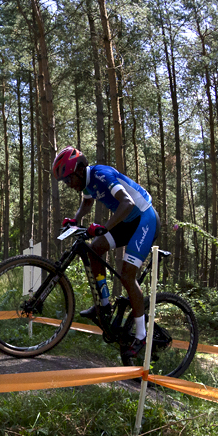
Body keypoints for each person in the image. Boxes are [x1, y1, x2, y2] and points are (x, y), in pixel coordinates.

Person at [53, 146, 159, 359]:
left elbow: (127, 203)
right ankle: (104, 305)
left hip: (145, 218)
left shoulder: (101, 174)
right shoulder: (87, 182)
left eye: (68, 180)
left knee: (127, 275)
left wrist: (105, 227)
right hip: (129, 221)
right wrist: (75, 220)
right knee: (95, 250)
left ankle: (141, 335)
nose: (68, 185)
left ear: (80, 170)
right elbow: (87, 201)